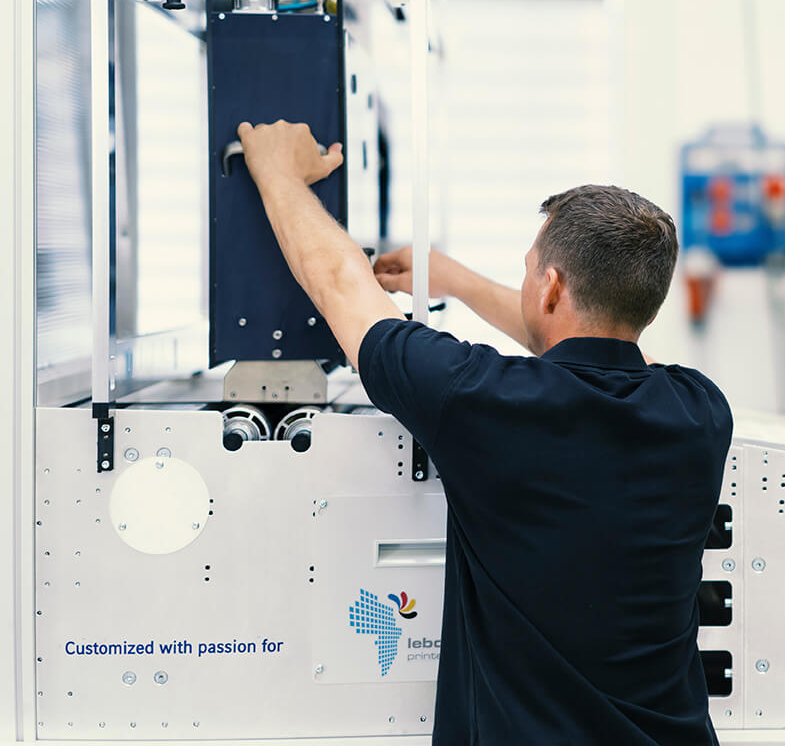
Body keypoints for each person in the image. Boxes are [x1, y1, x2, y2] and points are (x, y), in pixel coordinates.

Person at [237, 118, 732, 746]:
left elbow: (340, 283)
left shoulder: (479, 399)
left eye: (531, 271)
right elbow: (589, 338)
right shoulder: (701, 412)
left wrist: (276, 170)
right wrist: (459, 282)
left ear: (549, 287)